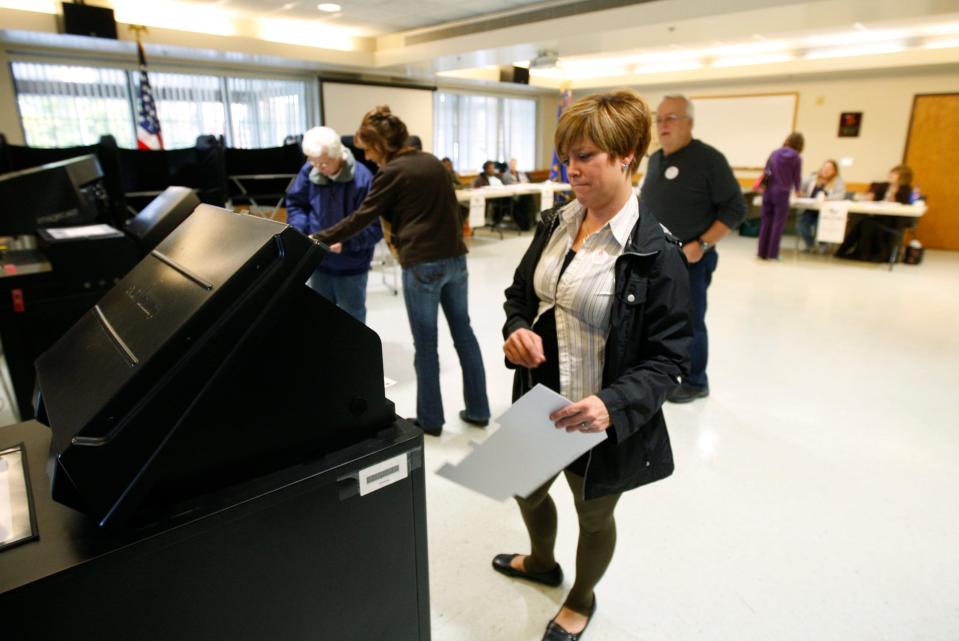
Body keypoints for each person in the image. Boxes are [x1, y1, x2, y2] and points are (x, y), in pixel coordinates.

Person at [497, 90, 692, 641]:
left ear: (626, 154)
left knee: (594, 515)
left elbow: (670, 358)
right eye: (567, 156)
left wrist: (612, 404)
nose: (571, 169)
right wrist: (515, 329)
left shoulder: (657, 253)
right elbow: (520, 293)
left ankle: (580, 598)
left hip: (599, 415)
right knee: (526, 489)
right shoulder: (557, 222)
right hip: (539, 398)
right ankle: (541, 562)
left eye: (586, 157)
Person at [312, 106, 490, 436]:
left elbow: (360, 218)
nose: (364, 154)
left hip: (422, 265)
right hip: (456, 260)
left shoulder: (391, 172)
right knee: (464, 334)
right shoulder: (432, 162)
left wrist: (317, 238)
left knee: (426, 345)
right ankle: (479, 409)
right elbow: (452, 209)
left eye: (367, 147)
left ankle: (431, 420)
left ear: (381, 145)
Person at [638, 94, 745, 403]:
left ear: (690, 123)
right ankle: (659, 372)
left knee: (690, 322)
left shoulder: (709, 160)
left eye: (671, 118)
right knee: (654, 319)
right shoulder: (656, 160)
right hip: (655, 257)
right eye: (659, 119)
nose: (663, 125)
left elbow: (735, 209)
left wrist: (703, 244)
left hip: (692, 260)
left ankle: (696, 381)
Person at [286, 126, 380, 323]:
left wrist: (345, 243)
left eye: (324, 163)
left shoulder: (363, 180)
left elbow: (374, 229)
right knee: (321, 318)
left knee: (352, 320)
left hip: (351, 265)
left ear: (340, 156)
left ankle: (354, 355)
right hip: (318, 261)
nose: (319, 168)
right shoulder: (309, 170)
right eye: (314, 163)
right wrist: (299, 231)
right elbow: (296, 204)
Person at [836, 164, 916, 262]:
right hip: (878, 216)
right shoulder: (883, 186)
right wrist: (870, 198)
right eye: (892, 172)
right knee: (860, 221)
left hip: (893, 220)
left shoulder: (906, 190)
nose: (891, 175)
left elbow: (903, 205)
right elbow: (875, 199)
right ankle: (851, 251)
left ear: (903, 177)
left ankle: (860, 253)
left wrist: (893, 194)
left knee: (866, 224)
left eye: (895, 173)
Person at [757, 132, 804, 260]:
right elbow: (797, 176)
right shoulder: (797, 158)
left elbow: (766, 170)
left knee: (766, 222)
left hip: (768, 191)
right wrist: (798, 190)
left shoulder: (774, 153)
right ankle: (773, 254)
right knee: (778, 224)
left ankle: (761, 252)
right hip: (782, 193)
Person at [797, 159, 846, 252]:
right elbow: (800, 188)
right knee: (802, 225)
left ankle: (823, 244)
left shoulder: (838, 182)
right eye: (825, 167)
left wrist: (828, 198)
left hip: (827, 211)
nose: (826, 170)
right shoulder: (812, 178)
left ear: (834, 171)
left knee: (821, 225)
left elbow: (840, 195)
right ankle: (810, 244)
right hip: (810, 209)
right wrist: (800, 193)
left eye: (829, 168)